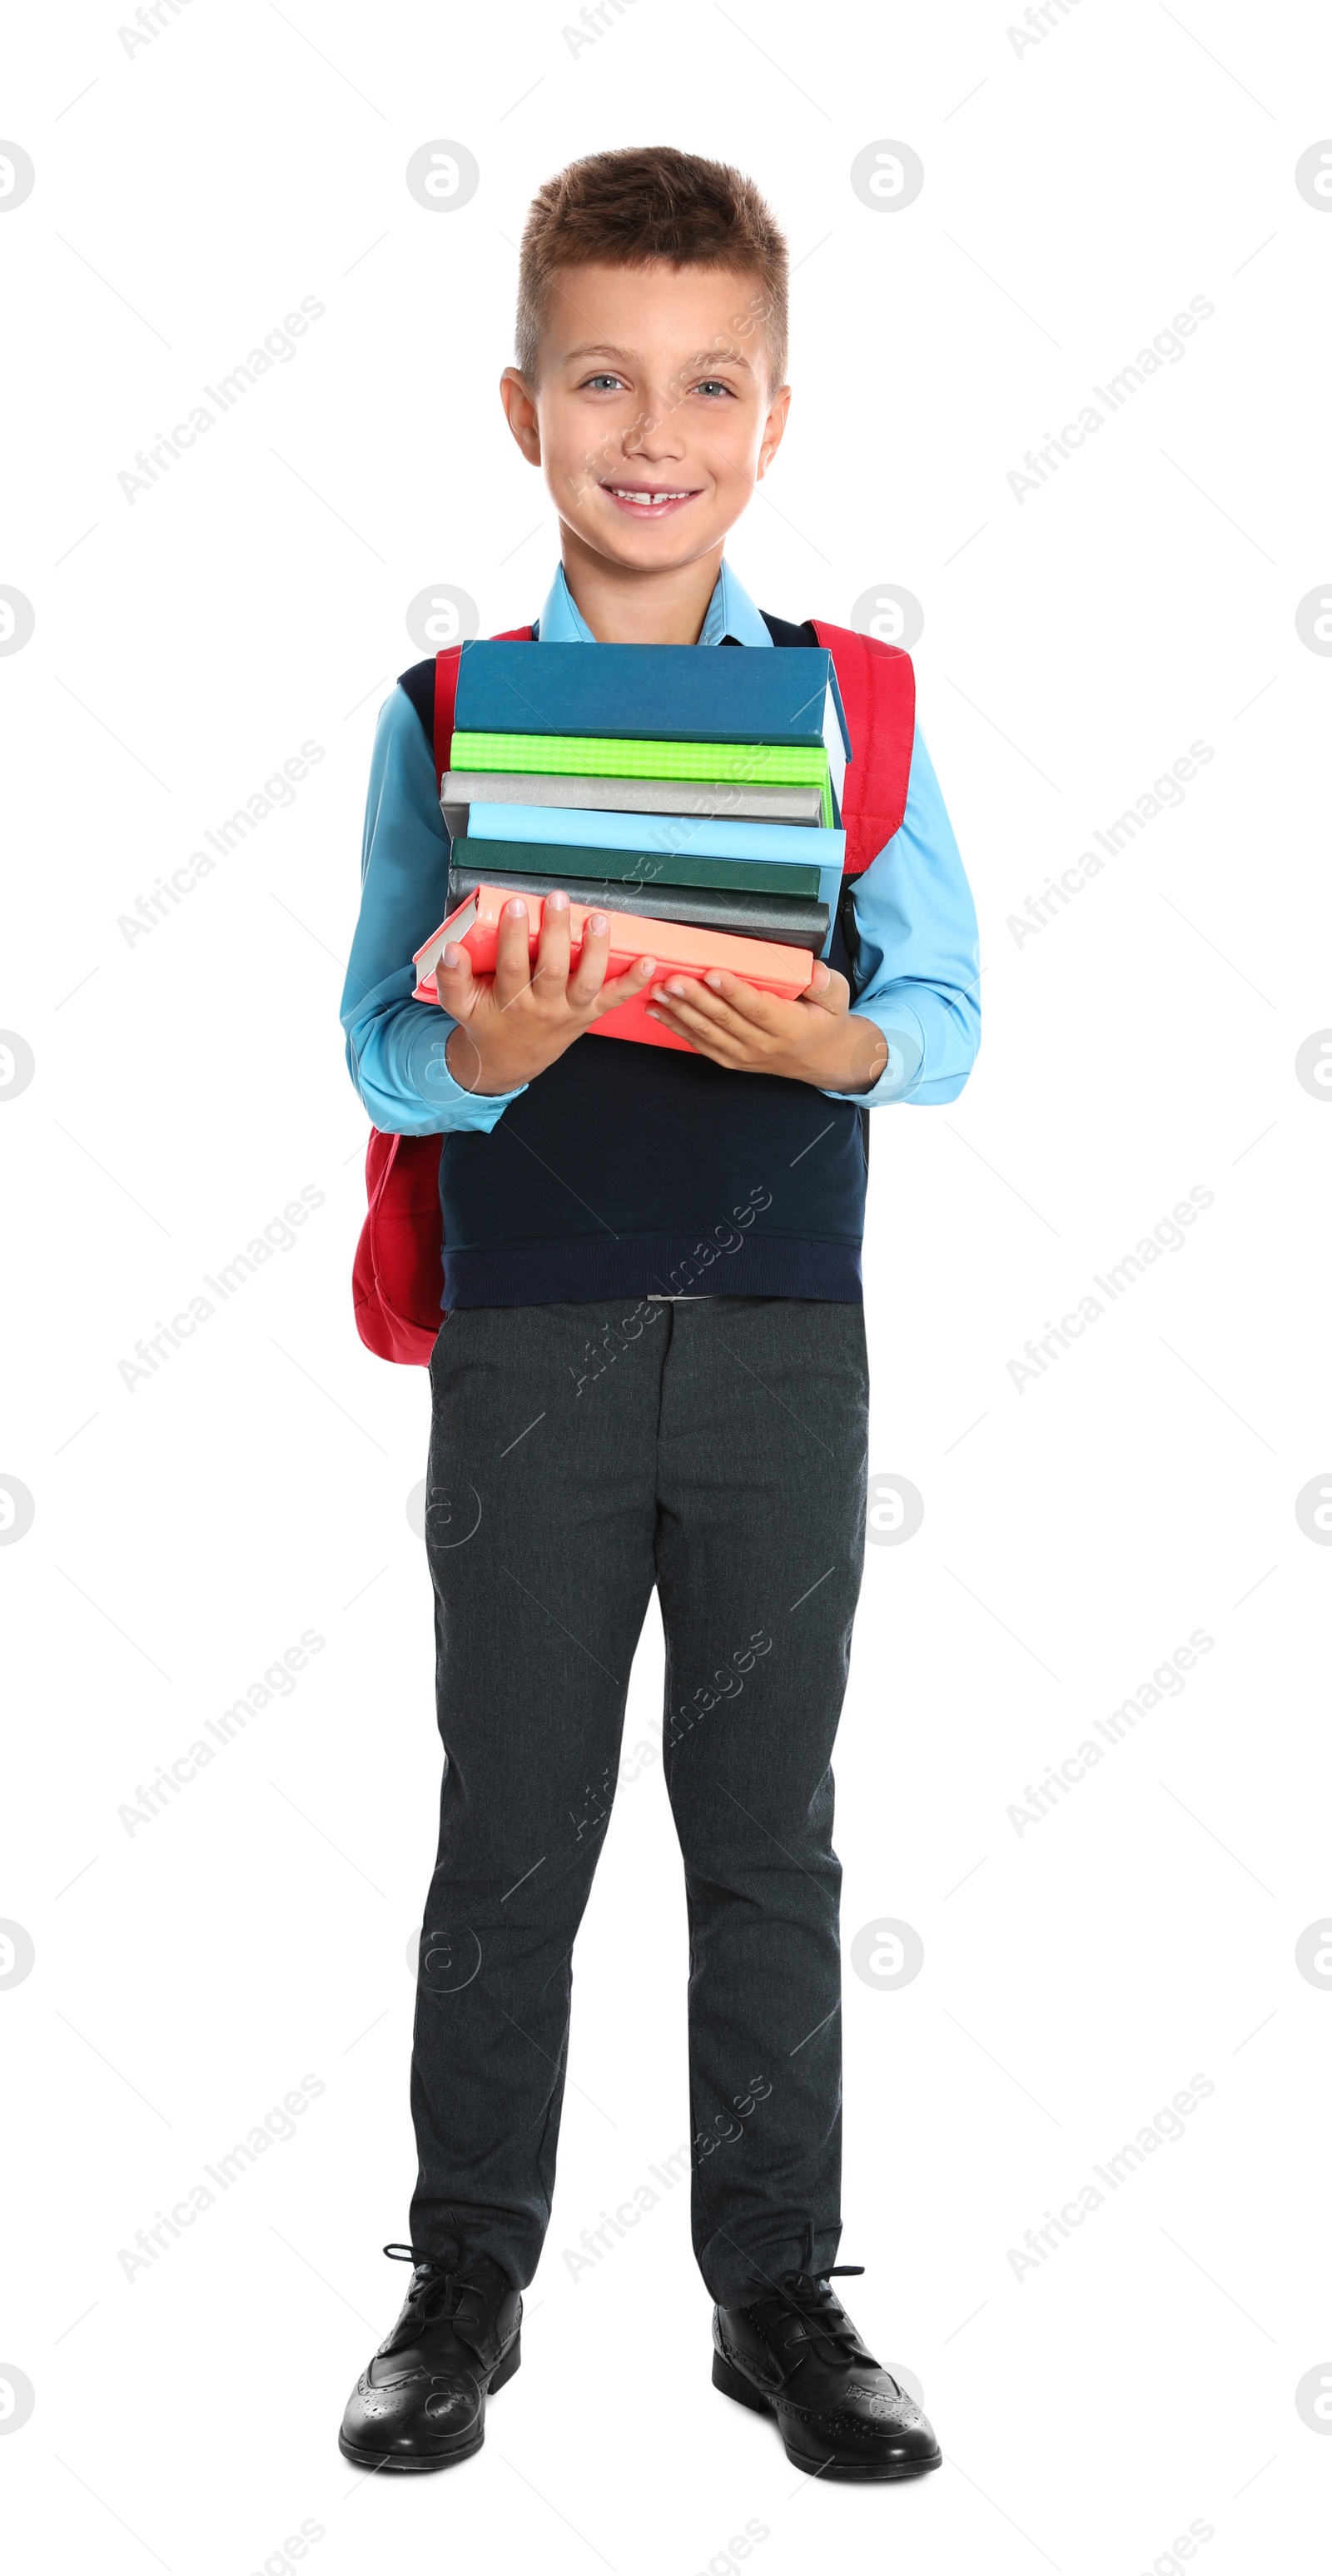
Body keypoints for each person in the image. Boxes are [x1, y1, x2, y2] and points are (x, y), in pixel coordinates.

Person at [337, 144, 980, 2484]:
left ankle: (780, 2295)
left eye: (711, 383)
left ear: (775, 420)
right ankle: (464, 2279)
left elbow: (951, 1012)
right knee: (511, 1822)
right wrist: (483, 1059)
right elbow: (376, 1044)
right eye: (604, 376)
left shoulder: (856, 716)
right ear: (524, 406)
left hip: (789, 1342)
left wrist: (840, 1044)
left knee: (767, 1831)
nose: (655, 428)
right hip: (535, 1343)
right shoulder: (448, 710)